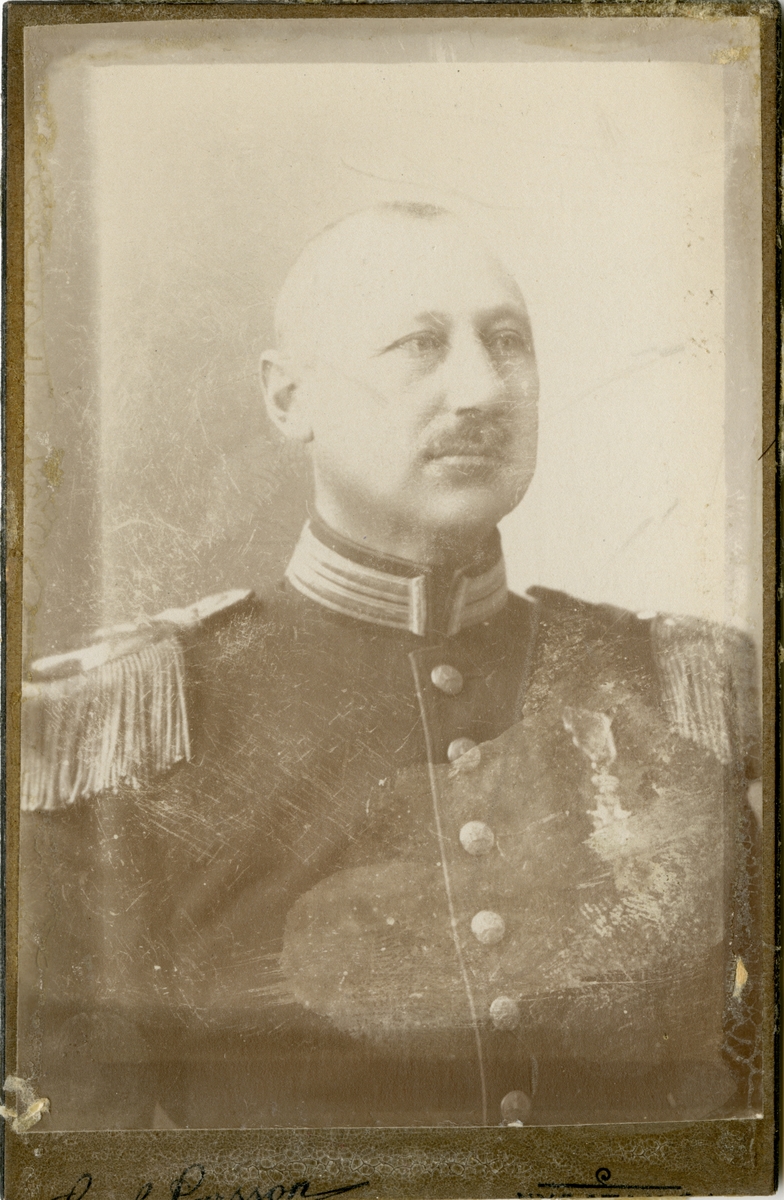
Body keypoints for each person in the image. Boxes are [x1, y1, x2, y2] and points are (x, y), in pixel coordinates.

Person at [19, 202, 761, 1131]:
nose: (482, 389)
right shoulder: (137, 723)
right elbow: (75, 1150)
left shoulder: (672, 686)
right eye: (420, 344)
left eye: (508, 342)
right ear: (289, 399)